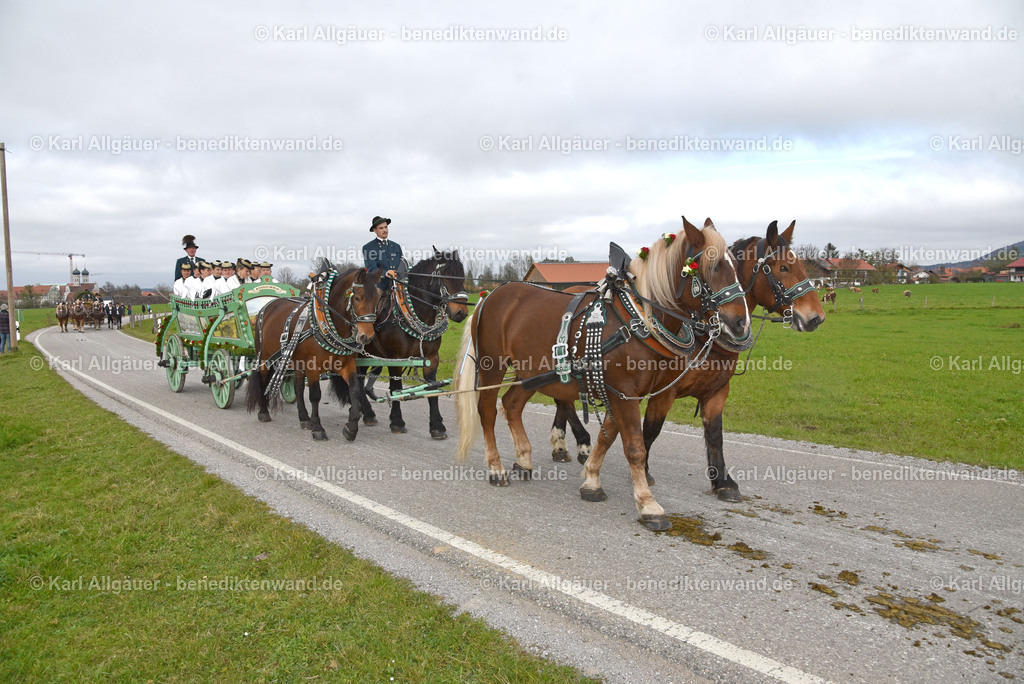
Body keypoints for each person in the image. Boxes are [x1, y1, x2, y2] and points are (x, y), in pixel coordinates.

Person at [362, 216, 403, 291]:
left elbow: (402, 265)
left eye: (385, 227)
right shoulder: (369, 247)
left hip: (399, 286)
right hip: (380, 286)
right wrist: (385, 273)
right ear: (375, 230)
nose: (384, 230)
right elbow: (371, 268)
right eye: (381, 228)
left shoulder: (396, 246)